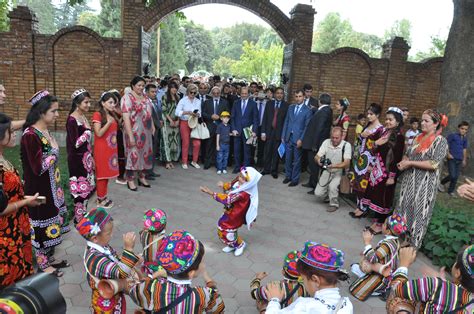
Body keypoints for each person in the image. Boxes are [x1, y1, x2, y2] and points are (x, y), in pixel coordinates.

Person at [21, 90, 69, 276]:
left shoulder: (43, 131)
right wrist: (55, 152)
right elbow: (37, 167)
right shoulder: (30, 135)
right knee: (40, 223)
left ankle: (48, 258)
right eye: (54, 111)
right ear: (42, 112)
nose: (57, 115)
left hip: (50, 188)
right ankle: (42, 264)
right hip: (38, 191)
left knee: (50, 219)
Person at [128, 229, 225, 313]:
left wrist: (153, 276)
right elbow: (219, 308)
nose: (203, 265)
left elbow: (133, 290)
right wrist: (208, 279)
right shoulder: (202, 295)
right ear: (191, 273)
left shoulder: (149, 288)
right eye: (201, 263)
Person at [396, 109, 448, 248]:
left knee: (420, 213)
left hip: (425, 184)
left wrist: (411, 163)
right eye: (422, 120)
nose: (422, 123)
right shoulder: (417, 137)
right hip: (409, 181)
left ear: (436, 124)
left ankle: (413, 246)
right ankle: (401, 238)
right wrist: (404, 161)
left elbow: (434, 163)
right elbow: (408, 154)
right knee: (404, 208)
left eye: (427, 121)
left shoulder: (440, 141)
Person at [0, 113, 40, 287]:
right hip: (6, 233)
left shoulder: (3, 158)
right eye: (11, 131)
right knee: (10, 276)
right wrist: (25, 202)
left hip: (17, 226)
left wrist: (24, 198)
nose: (15, 133)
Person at [76, 207, 141, 313]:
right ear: (95, 238)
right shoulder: (95, 258)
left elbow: (114, 259)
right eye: (108, 233)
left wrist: (132, 259)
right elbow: (121, 273)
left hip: (114, 293)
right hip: (106, 302)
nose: (112, 235)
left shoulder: (103, 246)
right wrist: (128, 249)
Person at [264, 241, 353, 313]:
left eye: (303, 279)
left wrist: (274, 300)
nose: (302, 282)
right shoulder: (346, 304)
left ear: (315, 280)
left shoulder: (304, 307)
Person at [388, 245, 474, 313]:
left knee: (397, 301)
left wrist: (403, 264)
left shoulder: (436, 286)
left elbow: (397, 287)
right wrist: (444, 283)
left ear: (457, 272)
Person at [360, 107, 405, 234]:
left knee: (383, 197)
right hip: (378, 169)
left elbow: (397, 158)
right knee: (375, 195)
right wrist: (376, 144)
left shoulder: (399, 137)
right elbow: (375, 150)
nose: (387, 122)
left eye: (391, 120)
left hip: (387, 172)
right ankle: (376, 222)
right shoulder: (385, 133)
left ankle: (380, 225)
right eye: (387, 119)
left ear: (398, 122)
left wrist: (392, 176)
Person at [200, 167, 262, 257]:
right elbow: (231, 184)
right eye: (240, 175)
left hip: (235, 215)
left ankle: (239, 245)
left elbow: (227, 199)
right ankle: (232, 244)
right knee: (224, 228)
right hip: (230, 212)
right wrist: (224, 185)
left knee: (227, 231)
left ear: (249, 182)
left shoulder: (243, 193)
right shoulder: (239, 182)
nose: (239, 178)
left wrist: (211, 193)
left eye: (243, 178)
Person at [349, 214, 408, 301]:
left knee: (355, 290)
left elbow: (373, 259)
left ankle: (380, 289)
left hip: (383, 275)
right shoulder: (394, 240)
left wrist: (367, 242)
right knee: (354, 267)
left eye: (384, 224)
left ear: (388, 231)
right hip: (381, 269)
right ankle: (367, 278)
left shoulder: (387, 244)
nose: (382, 225)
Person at [349, 103, 385, 218]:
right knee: (358, 183)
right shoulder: (368, 125)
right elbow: (361, 141)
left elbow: (379, 147)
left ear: (378, 115)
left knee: (365, 185)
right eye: (368, 113)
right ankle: (359, 206)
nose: (369, 116)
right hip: (361, 159)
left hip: (370, 160)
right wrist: (362, 135)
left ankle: (363, 209)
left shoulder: (380, 129)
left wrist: (373, 164)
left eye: (371, 114)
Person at [66, 89, 95, 222]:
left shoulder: (82, 116)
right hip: (77, 161)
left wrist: (91, 156)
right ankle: (79, 218)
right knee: (80, 190)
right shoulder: (72, 120)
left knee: (87, 189)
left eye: (89, 102)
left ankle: (83, 214)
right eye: (86, 102)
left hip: (86, 159)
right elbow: (75, 143)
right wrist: (87, 132)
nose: (89, 105)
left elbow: (86, 143)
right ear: (77, 104)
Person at [121, 76, 154, 191]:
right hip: (133, 131)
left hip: (145, 132)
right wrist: (130, 136)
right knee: (132, 155)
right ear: (133, 86)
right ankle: (130, 179)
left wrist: (152, 126)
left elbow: (149, 112)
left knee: (144, 154)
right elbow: (125, 117)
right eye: (139, 85)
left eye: (143, 86)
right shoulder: (127, 98)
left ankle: (142, 177)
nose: (141, 87)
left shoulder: (145, 97)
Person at [92, 92, 120, 209]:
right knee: (102, 175)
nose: (112, 105)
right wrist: (108, 122)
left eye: (114, 102)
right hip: (102, 149)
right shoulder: (98, 115)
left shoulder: (112, 114)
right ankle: (100, 199)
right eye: (110, 102)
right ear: (103, 103)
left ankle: (103, 196)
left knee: (106, 175)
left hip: (111, 149)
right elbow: (98, 133)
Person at [314, 127, 352, 212]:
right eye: (332, 137)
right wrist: (319, 161)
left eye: (337, 138)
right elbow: (316, 156)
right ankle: (328, 197)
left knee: (332, 187)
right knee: (318, 193)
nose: (334, 140)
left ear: (342, 137)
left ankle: (334, 204)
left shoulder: (346, 145)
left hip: (339, 172)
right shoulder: (326, 142)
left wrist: (333, 166)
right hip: (327, 170)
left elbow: (347, 163)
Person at [301, 93, 333, 192]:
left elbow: (319, 128)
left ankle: (314, 186)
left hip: (316, 144)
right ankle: (311, 182)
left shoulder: (324, 111)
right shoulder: (325, 110)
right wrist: (314, 109)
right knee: (312, 164)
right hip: (316, 142)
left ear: (320, 101)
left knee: (314, 165)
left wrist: (314, 144)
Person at [281, 90, 312, 187]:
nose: (298, 98)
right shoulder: (290, 108)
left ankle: (295, 179)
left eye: (300, 96)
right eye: (296, 96)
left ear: (303, 97)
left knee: (297, 160)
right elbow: (286, 122)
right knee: (288, 158)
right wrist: (283, 135)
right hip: (288, 137)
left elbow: (307, 127)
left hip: (298, 139)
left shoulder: (308, 110)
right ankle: (288, 176)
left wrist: (301, 139)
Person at [261, 87, 289, 179]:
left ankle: (274, 170)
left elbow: (286, 121)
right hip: (269, 131)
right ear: (274, 94)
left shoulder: (286, 105)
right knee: (267, 151)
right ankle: (266, 169)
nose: (279, 95)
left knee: (276, 153)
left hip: (279, 133)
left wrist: (284, 135)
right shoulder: (269, 104)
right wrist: (263, 132)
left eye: (281, 93)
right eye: (278, 93)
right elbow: (265, 118)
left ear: (283, 95)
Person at [231, 87, 259, 173]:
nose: (243, 95)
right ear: (240, 94)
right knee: (236, 150)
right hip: (237, 131)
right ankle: (237, 167)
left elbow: (255, 119)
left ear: (248, 94)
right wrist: (233, 129)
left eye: (245, 94)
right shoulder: (236, 103)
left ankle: (245, 169)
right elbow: (232, 117)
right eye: (242, 93)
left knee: (247, 151)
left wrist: (254, 131)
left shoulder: (253, 104)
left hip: (248, 131)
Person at [175, 84, 202, 169]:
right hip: (185, 122)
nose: (193, 94)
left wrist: (197, 114)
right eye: (191, 92)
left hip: (194, 122)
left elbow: (200, 113)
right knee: (186, 142)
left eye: (194, 93)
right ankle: (184, 161)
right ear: (187, 92)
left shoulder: (198, 101)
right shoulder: (183, 100)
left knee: (197, 143)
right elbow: (177, 112)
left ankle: (194, 161)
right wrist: (187, 112)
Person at [439, 121, 469, 196]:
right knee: (452, 175)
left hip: (460, 159)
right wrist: (448, 154)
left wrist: (464, 159)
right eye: (462, 128)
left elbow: (464, 149)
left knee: (456, 176)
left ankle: (450, 191)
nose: (464, 130)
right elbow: (445, 144)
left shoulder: (465, 139)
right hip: (452, 158)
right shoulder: (453, 135)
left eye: (466, 129)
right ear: (459, 128)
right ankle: (441, 183)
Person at [202, 86, 229, 170]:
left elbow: (228, 113)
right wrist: (211, 116)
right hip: (210, 126)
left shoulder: (225, 102)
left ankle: (218, 164)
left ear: (220, 93)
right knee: (208, 145)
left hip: (221, 127)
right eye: (214, 93)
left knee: (219, 146)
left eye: (217, 93)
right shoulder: (207, 102)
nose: (216, 94)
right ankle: (207, 163)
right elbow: (203, 113)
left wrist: (220, 117)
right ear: (212, 93)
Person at [139, 208, 167, 276]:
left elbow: (144, 229)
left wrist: (148, 218)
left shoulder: (143, 234)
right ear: (165, 226)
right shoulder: (165, 241)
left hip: (147, 264)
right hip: (158, 269)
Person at [160, 81, 181, 169]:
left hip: (176, 121)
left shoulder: (178, 97)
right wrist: (170, 120)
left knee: (174, 141)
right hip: (166, 121)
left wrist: (178, 121)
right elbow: (164, 110)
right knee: (166, 141)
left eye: (175, 88)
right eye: (172, 88)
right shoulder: (164, 96)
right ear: (169, 88)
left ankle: (171, 160)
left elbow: (180, 110)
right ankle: (167, 161)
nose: (174, 89)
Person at [145, 83, 162, 180]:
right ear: (147, 92)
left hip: (156, 128)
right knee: (149, 151)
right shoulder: (146, 102)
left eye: (156, 92)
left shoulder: (155, 102)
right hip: (150, 129)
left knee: (154, 150)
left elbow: (157, 114)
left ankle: (151, 170)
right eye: (152, 92)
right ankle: (147, 172)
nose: (154, 93)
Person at [256, 91, 268, 168]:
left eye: (262, 95)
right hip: (254, 127)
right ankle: (251, 162)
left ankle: (259, 163)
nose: (261, 97)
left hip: (262, 127)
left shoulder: (266, 104)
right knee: (251, 145)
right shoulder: (254, 103)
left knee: (261, 146)